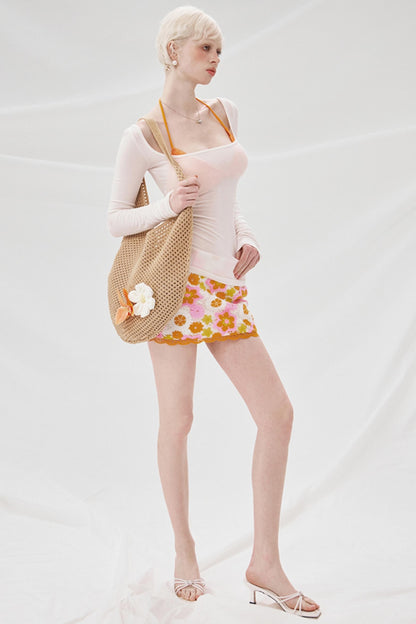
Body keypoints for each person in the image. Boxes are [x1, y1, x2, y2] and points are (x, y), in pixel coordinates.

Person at [107, 5, 321, 618]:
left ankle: (265, 563)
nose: (216, 59)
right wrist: (167, 205)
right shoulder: (143, 134)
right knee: (178, 421)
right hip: (174, 289)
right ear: (173, 51)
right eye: (205, 48)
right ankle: (185, 550)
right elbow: (115, 217)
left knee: (276, 414)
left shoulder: (224, 112)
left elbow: (229, 196)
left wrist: (245, 236)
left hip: (224, 288)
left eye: (219, 50)